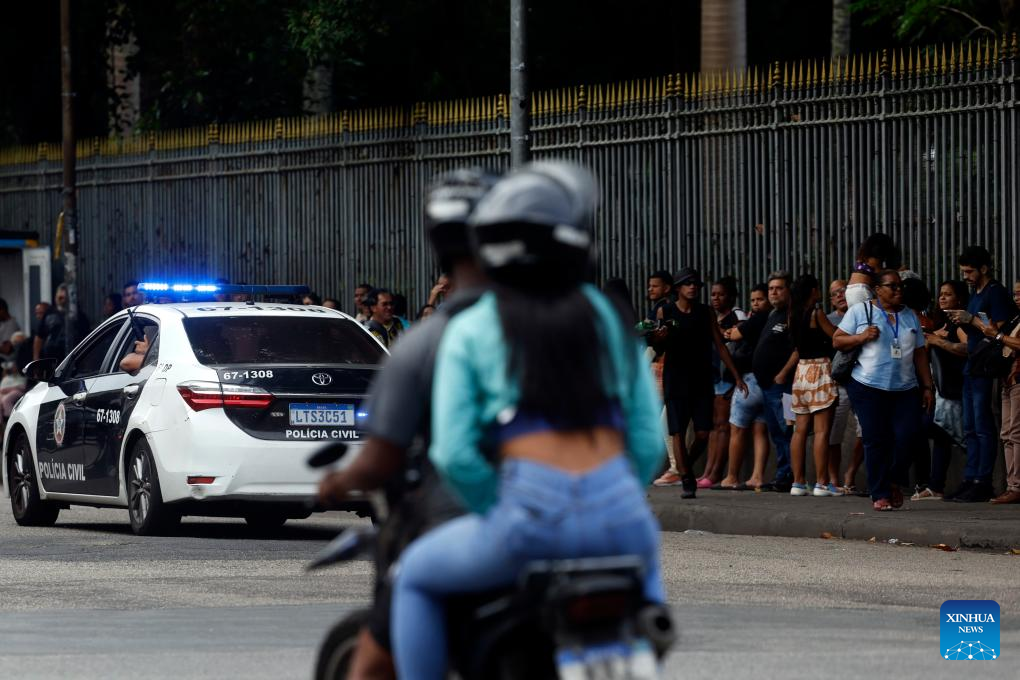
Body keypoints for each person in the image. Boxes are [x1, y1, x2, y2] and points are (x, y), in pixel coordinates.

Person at [390, 162, 666, 680]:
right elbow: (650, 445)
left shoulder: (473, 327)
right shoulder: (608, 317)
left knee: (415, 577)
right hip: (625, 521)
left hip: (528, 519)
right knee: (646, 620)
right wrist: (612, 495)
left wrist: (500, 509)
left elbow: (454, 454)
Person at [316, 167, 497, 680]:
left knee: (402, 596)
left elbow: (387, 458)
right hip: (600, 524)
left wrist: (337, 483)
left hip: (480, 523)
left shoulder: (431, 341)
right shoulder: (571, 326)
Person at [834, 270, 934, 511]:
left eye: (900, 286)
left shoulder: (910, 316)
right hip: (867, 386)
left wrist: (927, 386)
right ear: (878, 290)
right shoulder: (861, 311)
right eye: (892, 286)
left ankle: (893, 480)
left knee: (909, 435)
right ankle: (879, 493)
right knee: (875, 439)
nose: (899, 290)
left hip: (905, 388)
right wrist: (861, 337)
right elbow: (838, 340)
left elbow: (920, 353)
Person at [652, 267, 746, 498]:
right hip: (676, 378)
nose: (693, 287)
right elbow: (658, 347)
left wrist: (736, 376)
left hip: (702, 379)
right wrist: (659, 338)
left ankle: (685, 467)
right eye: (687, 283)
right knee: (678, 431)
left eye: (696, 283)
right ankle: (686, 478)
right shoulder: (666, 311)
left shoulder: (705, 312)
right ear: (677, 288)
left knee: (703, 433)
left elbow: (720, 345)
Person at [943, 246, 1019, 502]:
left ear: (984, 268)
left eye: (970, 271)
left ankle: (982, 480)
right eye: (963, 271)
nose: (966, 276)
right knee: (970, 427)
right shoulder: (976, 293)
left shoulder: (995, 292)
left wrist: (971, 319)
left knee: (982, 424)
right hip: (973, 363)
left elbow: (997, 330)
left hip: (986, 366)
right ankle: (970, 476)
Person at [913, 280, 969, 500]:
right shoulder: (940, 322)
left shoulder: (961, 323)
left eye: (948, 294)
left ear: (959, 299)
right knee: (942, 434)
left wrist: (939, 341)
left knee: (944, 431)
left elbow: (968, 348)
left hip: (957, 389)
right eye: (941, 294)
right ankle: (935, 485)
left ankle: (966, 481)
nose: (942, 298)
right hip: (941, 391)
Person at [787, 274, 839, 496]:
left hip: (800, 372)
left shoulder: (792, 315)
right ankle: (822, 482)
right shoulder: (816, 313)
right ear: (812, 291)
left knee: (799, 430)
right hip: (820, 370)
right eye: (817, 288)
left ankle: (798, 482)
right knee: (821, 431)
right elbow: (836, 337)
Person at [718, 282, 772, 490]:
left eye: (760, 299)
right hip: (767, 382)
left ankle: (732, 476)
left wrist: (731, 331)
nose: (755, 304)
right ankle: (757, 476)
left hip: (749, 381)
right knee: (760, 429)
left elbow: (734, 335)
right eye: (753, 300)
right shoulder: (775, 317)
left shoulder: (758, 319)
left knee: (737, 429)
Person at [753, 272, 798, 493]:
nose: (773, 292)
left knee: (788, 429)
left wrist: (783, 373)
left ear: (789, 291)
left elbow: (799, 348)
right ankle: (782, 475)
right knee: (777, 433)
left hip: (784, 386)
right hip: (768, 387)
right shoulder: (773, 314)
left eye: (779, 288)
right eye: (771, 288)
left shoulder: (793, 315)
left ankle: (793, 476)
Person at [703, 275, 747, 488]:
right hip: (713, 377)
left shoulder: (737, 316)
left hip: (727, 378)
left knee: (722, 426)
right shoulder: (713, 316)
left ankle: (715, 473)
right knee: (713, 426)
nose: (715, 298)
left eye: (721, 295)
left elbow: (740, 345)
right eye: (713, 294)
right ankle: (707, 471)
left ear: (730, 297)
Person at [980, 279, 1020, 504]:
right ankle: (1011, 484)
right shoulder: (1015, 318)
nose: (1017, 298)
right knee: (1006, 433)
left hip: (1017, 379)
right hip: (1007, 379)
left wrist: (998, 335)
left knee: (1016, 433)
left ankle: (1016, 485)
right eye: (1015, 294)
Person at [826, 279, 865, 494]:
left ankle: (850, 474)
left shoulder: (864, 315)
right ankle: (834, 480)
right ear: (831, 300)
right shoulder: (827, 320)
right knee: (832, 433)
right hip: (838, 383)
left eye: (843, 290)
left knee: (866, 430)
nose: (840, 295)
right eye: (834, 293)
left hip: (861, 380)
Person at [845, 233, 901, 308]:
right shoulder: (875, 259)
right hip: (861, 291)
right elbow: (881, 276)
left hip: (852, 290)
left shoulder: (863, 257)